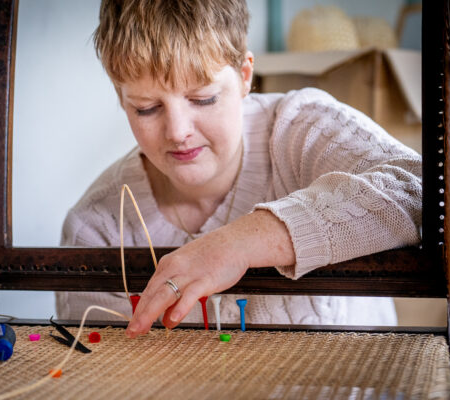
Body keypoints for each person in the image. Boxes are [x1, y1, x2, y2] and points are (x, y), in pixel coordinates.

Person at [57, 0, 422, 338]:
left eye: (203, 99)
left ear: (245, 75)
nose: (178, 132)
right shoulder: (96, 228)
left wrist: (239, 243)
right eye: (146, 108)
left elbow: (421, 190)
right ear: (121, 98)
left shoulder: (303, 129)